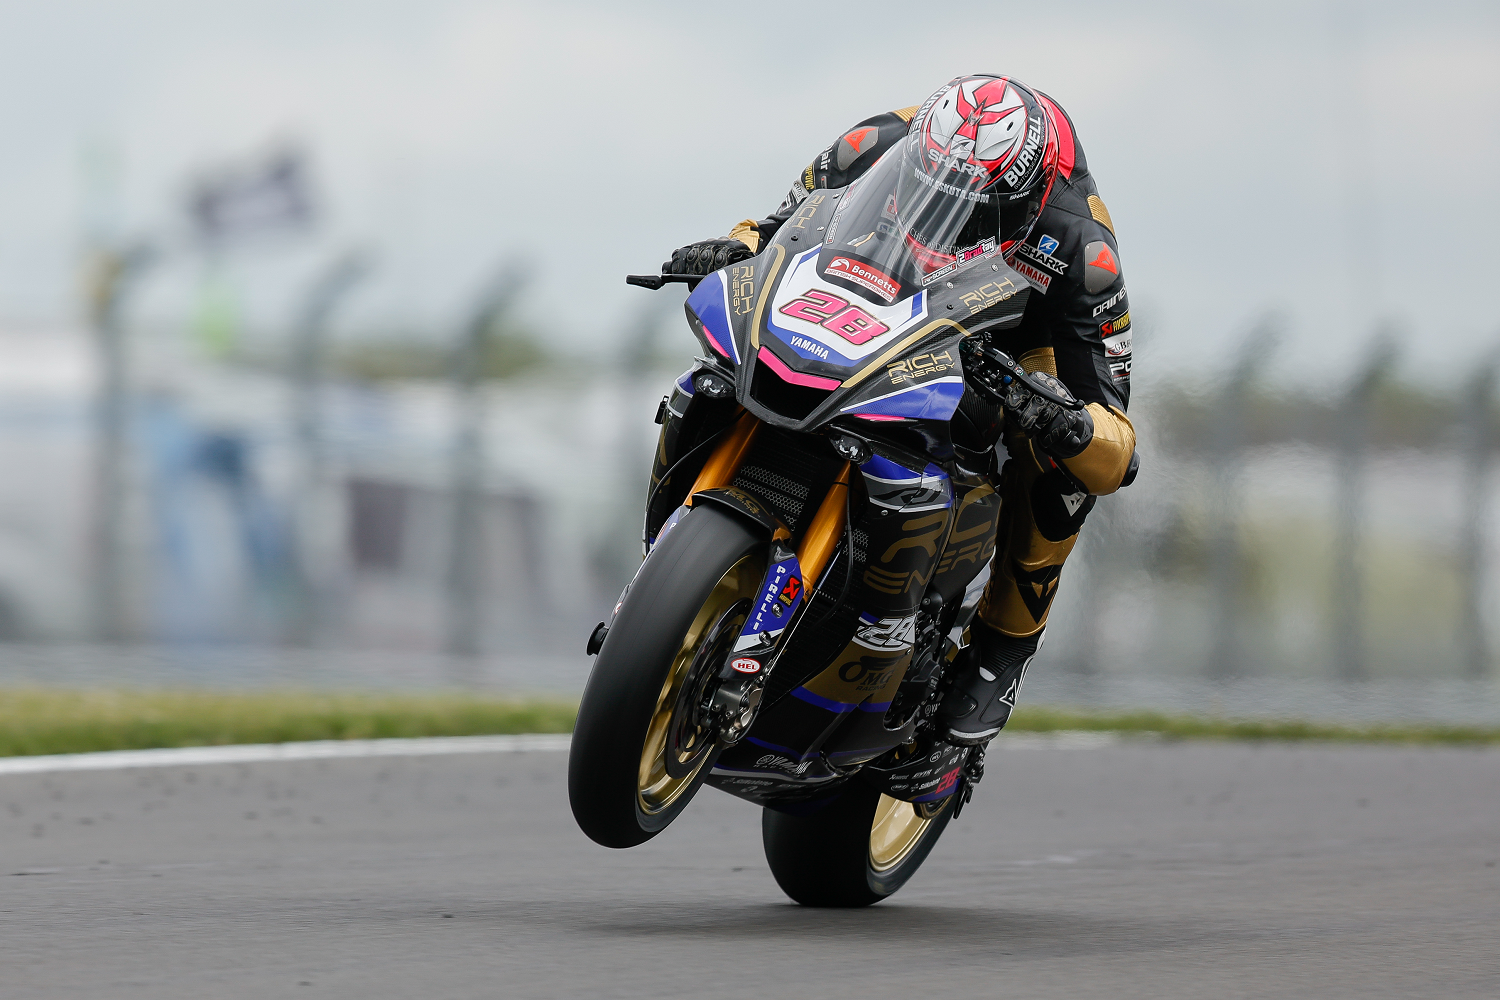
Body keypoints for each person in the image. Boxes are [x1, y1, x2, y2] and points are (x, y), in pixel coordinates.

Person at [664, 74, 1136, 749]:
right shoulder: (875, 140)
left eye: (969, 208)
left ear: (1023, 200)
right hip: (881, 288)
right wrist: (736, 247)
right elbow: (776, 225)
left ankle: (1001, 653)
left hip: (1012, 344)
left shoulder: (1083, 244)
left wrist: (1067, 421)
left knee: (1057, 466)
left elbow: (1116, 442)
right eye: (930, 189)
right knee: (720, 369)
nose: (946, 214)